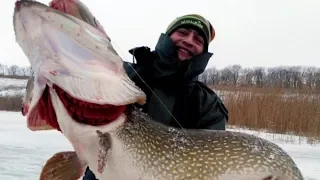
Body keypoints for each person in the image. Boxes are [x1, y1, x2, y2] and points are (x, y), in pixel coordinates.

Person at [82, 14, 229, 180]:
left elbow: (209, 165)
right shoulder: (124, 74)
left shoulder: (209, 104)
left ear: (203, 51)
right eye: (183, 32)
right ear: (168, 35)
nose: (189, 40)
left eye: (198, 40)